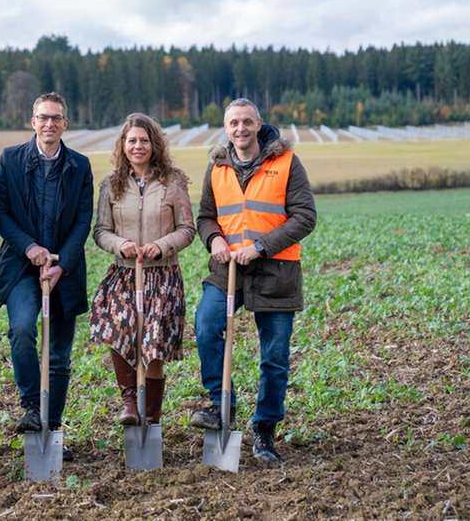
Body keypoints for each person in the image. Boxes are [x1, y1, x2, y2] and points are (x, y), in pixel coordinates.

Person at [190, 98, 317, 463]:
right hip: (227, 269)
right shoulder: (217, 166)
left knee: (274, 357)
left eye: (247, 122)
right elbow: (206, 217)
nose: (241, 129)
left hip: (276, 272)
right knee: (207, 323)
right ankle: (218, 403)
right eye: (234, 123)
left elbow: (305, 216)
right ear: (226, 128)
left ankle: (264, 428)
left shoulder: (287, 162)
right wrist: (213, 239)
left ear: (259, 124)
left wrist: (261, 247)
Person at [0, 92, 93, 461]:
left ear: (65, 124)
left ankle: (52, 427)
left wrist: (61, 263)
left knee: (60, 356)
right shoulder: (11, 160)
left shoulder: (79, 166)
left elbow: (83, 220)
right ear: (32, 121)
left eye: (57, 118)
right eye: (43, 117)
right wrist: (30, 248)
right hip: (21, 265)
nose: (49, 124)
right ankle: (32, 407)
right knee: (21, 329)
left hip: (65, 269)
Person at [90, 113, 196, 426]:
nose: (138, 146)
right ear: (123, 145)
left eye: (144, 140)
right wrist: (119, 244)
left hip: (162, 275)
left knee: (153, 344)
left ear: (154, 144)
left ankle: (151, 416)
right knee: (118, 331)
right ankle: (129, 403)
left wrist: (161, 245)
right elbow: (100, 230)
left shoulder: (173, 181)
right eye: (132, 140)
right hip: (124, 273)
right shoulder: (111, 185)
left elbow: (187, 228)